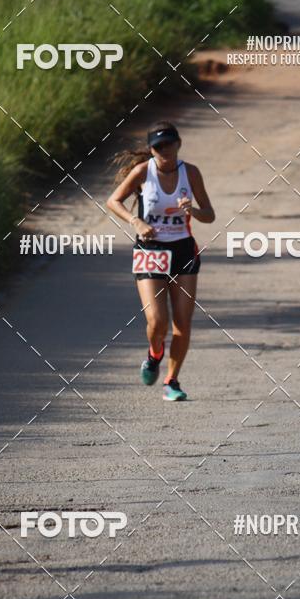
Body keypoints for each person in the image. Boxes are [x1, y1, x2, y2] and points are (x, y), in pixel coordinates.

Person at [107, 121, 215, 401]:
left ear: (178, 143)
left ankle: (172, 381)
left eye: (169, 144)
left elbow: (209, 214)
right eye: (158, 147)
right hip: (150, 251)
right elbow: (113, 201)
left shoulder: (190, 173)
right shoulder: (143, 172)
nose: (164, 151)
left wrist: (193, 209)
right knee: (157, 321)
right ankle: (154, 354)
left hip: (183, 251)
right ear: (152, 150)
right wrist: (136, 221)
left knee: (183, 322)